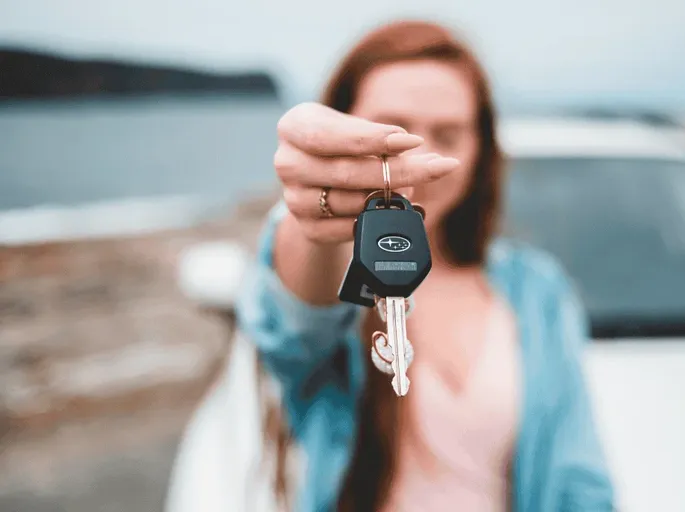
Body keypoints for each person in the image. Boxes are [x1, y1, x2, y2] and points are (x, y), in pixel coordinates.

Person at [165, 19, 615, 512]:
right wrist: (311, 220)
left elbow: (579, 482)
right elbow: (290, 325)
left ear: (480, 147)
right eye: (392, 131)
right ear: (342, 132)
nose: (416, 154)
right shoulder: (338, 271)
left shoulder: (537, 291)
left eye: (448, 133)